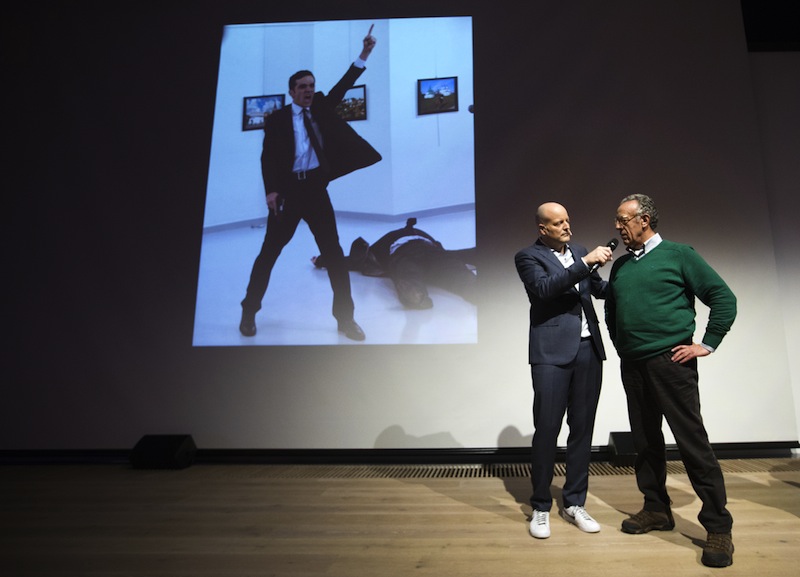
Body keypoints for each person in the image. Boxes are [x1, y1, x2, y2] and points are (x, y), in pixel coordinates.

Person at [605, 194, 737, 567]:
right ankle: (656, 509)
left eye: (623, 220)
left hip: (671, 363)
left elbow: (722, 297)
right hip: (634, 366)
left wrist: (707, 344)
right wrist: (625, 347)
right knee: (645, 442)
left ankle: (718, 527)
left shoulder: (679, 255)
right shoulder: (620, 268)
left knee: (692, 443)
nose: (617, 227)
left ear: (644, 220)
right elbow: (613, 312)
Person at [239, 25, 382, 341]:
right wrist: (272, 189)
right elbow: (267, 158)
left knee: (334, 255)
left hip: (316, 191)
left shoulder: (319, 107)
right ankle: (248, 312)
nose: (307, 90)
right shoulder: (277, 120)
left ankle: (346, 320)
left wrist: (365, 54)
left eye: (311, 86)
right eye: (302, 86)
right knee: (268, 255)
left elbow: (345, 85)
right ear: (291, 91)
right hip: (289, 194)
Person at [514, 202, 614, 539]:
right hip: (551, 354)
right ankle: (541, 505)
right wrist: (584, 264)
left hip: (588, 350)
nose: (567, 227)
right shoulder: (527, 257)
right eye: (558, 223)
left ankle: (574, 503)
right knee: (546, 430)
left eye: (568, 220)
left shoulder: (580, 250)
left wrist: (625, 281)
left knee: (582, 430)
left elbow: (595, 288)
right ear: (543, 229)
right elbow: (544, 290)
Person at [312, 218, 477, 309]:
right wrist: (322, 260)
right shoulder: (419, 235)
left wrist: (321, 260)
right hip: (422, 252)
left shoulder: (387, 240)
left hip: (406, 254)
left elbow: (353, 261)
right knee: (452, 269)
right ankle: (476, 288)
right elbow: (462, 254)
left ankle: (415, 293)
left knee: (408, 271)